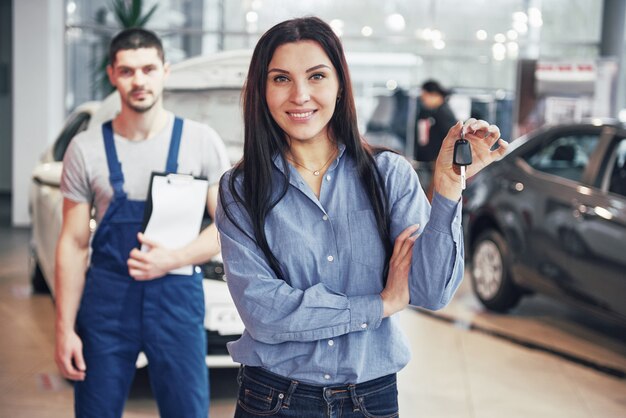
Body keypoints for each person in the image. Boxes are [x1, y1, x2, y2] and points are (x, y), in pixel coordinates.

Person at [216, 17, 507, 418]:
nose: (300, 95)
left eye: (316, 76)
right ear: (262, 91)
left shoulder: (389, 175)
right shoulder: (241, 188)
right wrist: (377, 305)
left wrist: (446, 186)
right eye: (281, 79)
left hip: (370, 400)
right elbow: (265, 313)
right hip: (273, 400)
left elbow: (431, 291)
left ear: (339, 86)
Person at [54, 28, 230, 418]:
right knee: (95, 409)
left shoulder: (201, 141)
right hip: (106, 302)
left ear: (165, 71)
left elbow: (228, 229)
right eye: (128, 71)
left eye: (148, 68)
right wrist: (64, 329)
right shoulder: (86, 149)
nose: (139, 80)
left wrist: (174, 258)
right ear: (112, 75)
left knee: (187, 410)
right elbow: (73, 243)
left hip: (176, 298)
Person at [415, 79, 458, 200]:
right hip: (431, 162)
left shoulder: (444, 113)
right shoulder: (432, 112)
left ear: (434, 95)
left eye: (425, 97)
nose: (423, 100)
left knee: (432, 196)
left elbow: (451, 138)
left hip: (437, 163)